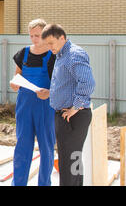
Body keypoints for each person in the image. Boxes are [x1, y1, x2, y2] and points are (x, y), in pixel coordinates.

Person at [38, 24, 95, 186]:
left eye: (51, 43)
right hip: (64, 114)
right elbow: (67, 84)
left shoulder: (74, 54)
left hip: (73, 116)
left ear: (61, 37)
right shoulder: (62, 55)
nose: (49, 48)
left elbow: (88, 83)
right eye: (46, 44)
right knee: (69, 160)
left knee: (70, 161)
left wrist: (75, 108)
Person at [10, 19, 56, 186]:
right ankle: (18, 183)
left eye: (37, 35)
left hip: (46, 107)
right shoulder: (23, 53)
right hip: (24, 107)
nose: (34, 39)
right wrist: (14, 84)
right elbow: (17, 77)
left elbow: (60, 85)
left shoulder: (54, 56)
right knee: (22, 147)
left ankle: (45, 183)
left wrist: (50, 93)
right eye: (31, 36)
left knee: (47, 149)